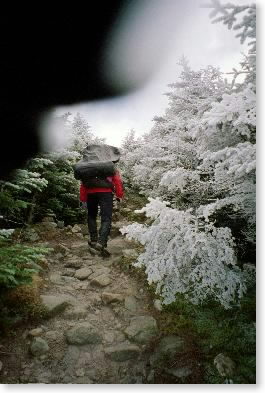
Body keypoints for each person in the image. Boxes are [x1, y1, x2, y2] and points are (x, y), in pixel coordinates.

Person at [80, 170, 124, 257]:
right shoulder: (108, 165)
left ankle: (93, 240)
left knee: (91, 216)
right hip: (106, 193)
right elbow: (117, 181)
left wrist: (83, 199)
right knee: (106, 218)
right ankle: (101, 243)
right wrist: (119, 195)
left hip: (90, 193)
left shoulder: (89, 166)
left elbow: (83, 183)